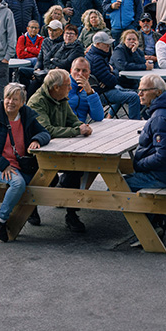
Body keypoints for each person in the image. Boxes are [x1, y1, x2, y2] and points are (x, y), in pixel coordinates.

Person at [28, 67, 102, 233]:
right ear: (56, 87)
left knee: (78, 167)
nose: (71, 88)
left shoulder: (61, 97)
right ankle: (29, 206)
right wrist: (77, 131)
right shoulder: (36, 102)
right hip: (36, 153)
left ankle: (71, 213)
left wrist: (81, 126)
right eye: (68, 85)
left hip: (59, 149)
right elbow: (47, 130)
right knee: (50, 178)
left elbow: (72, 120)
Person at [0, 83, 50, 242]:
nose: (10, 102)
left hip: (20, 164)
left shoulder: (26, 114)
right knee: (18, 184)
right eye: (8, 97)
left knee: (42, 182)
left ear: (22, 102)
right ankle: (1, 219)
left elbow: (44, 133)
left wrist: (37, 139)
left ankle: (29, 210)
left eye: (15, 99)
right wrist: (3, 164)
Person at [124, 74, 166, 234]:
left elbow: (163, 156)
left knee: (117, 189)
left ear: (157, 93)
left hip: (163, 176)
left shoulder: (160, 117)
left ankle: (151, 227)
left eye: (143, 91)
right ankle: (156, 218)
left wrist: (139, 164)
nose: (139, 94)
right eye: (139, 90)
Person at [87, 31, 142, 119]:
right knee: (134, 97)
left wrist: (110, 73)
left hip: (104, 90)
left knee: (134, 93)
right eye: (106, 44)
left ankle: (111, 116)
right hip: (102, 94)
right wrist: (111, 72)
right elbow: (113, 81)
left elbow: (110, 78)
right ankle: (135, 122)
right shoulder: (97, 59)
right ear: (98, 44)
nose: (109, 46)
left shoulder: (93, 55)